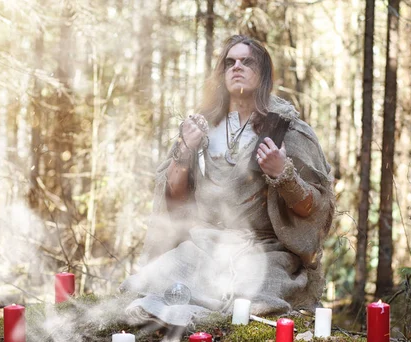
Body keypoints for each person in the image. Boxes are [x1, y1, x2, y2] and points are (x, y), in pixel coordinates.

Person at [120, 35, 334, 327]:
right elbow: (175, 201)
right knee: (146, 286)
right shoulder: (201, 126)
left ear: (263, 74)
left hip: (264, 251)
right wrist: (183, 153)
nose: (237, 67)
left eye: (247, 62)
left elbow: (314, 208)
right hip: (205, 246)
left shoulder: (287, 129)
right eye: (230, 62)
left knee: (252, 304)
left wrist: (283, 174)